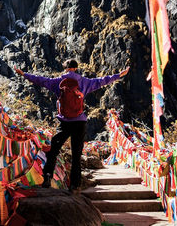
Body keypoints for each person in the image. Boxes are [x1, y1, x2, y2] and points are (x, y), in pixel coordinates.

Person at [15, 59, 129, 190]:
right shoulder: (84, 82)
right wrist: (119, 75)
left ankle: (47, 176)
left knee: (53, 150)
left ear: (65, 68)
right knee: (76, 154)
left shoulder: (58, 81)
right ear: (75, 68)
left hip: (64, 122)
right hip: (79, 122)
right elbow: (102, 81)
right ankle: (75, 185)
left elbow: (41, 80)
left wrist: (24, 74)